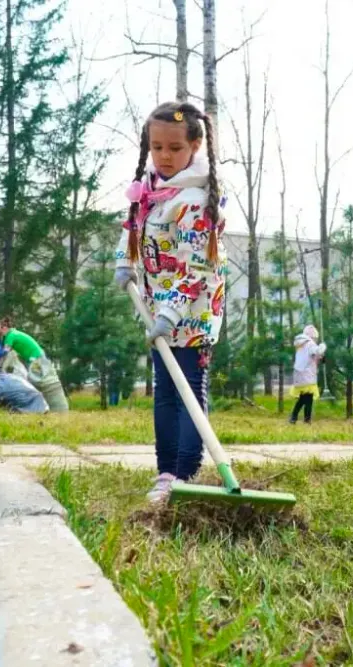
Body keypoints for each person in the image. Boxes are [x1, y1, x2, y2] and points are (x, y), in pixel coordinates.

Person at [113, 100, 226, 503]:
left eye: (174, 148)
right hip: (158, 306)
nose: (164, 155)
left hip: (192, 312)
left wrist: (171, 312)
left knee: (188, 391)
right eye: (157, 146)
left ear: (194, 145)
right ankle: (165, 472)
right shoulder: (155, 190)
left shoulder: (194, 199)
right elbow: (135, 228)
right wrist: (124, 261)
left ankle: (185, 472)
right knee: (164, 389)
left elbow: (198, 268)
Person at [0, 318, 69, 412]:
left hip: (36, 359)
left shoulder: (11, 335)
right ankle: (42, 407)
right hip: (37, 357)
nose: (0, 332)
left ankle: (43, 408)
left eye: (0, 329)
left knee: (38, 383)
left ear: (5, 328)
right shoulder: (15, 333)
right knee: (36, 382)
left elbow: (6, 351)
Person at [289, 325, 326, 425]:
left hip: (300, 374)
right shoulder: (310, 343)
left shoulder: (301, 344)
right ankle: (300, 418)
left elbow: (311, 356)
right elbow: (316, 351)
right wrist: (322, 347)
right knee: (306, 398)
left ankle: (300, 418)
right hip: (307, 375)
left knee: (305, 398)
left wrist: (320, 358)